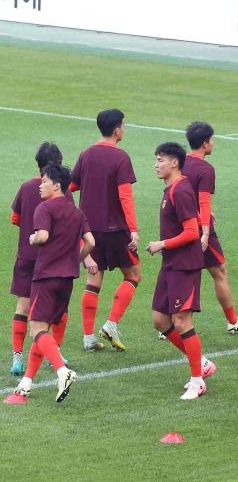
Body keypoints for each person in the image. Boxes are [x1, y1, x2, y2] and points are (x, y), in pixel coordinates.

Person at [9, 164, 93, 403]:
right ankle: (26, 383)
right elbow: (91, 242)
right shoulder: (76, 212)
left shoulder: (44, 208)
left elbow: (43, 235)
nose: (40, 185)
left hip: (45, 278)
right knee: (43, 331)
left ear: (57, 185)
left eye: (44, 181)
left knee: (37, 330)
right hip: (67, 280)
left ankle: (62, 372)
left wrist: (33, 238)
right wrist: (75, 260)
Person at [145, 143, 217, 400]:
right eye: (156, 160)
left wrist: (162, 244)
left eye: (160, 160)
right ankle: (202, 363)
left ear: (174, 163)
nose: (156, 164)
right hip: (171, 264)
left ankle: (198, 381)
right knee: (160, 319)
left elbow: (191, 232)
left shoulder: (181, 190)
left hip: (185, 265)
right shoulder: (171, 188)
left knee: (182, 321)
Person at [70, 108, 140, 352]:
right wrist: (133, 229)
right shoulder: (121, 157)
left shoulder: (86, 153)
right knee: (133, 275)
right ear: (117, 129)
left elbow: (71, 186)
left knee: (93, 280)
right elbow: (125, 196)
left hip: (89, 230)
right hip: (115, 229)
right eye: (123, 125)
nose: (124, 129)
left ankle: (88, 337)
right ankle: (111, 324)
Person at [183, 121, 238, 333]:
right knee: (219, 272)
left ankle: (167, 325)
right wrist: (205, 230)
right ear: (205, 143)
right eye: (212, 140)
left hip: (177, 223)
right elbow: (204, 201)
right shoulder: (205, 169)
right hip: (197, 228)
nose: (213, 143)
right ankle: (233, 320)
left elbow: (178, 193)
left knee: (180, 273)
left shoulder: (179, 162)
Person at [9, 142, 64, 376]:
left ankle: (17, 356)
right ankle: (55, 354)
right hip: (51, 260)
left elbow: (15, 218)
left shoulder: (26, 187)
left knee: (23, 305)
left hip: (26, 256)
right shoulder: (60, 192)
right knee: (56, 308)